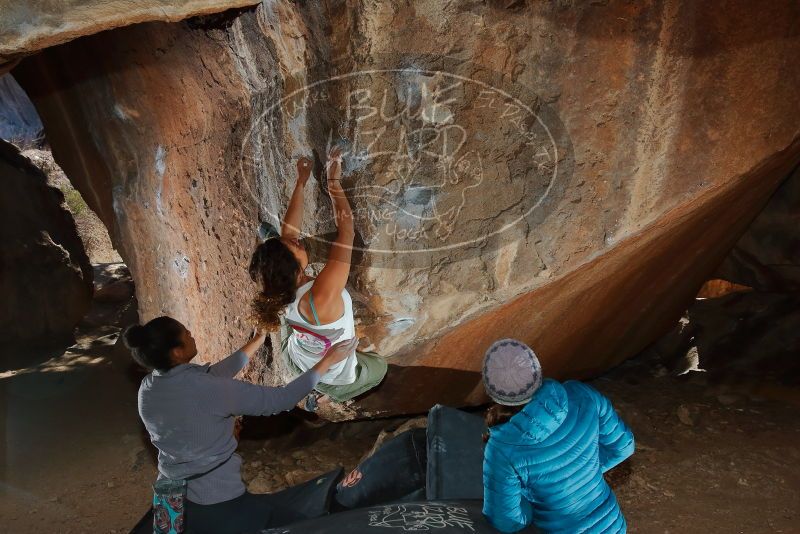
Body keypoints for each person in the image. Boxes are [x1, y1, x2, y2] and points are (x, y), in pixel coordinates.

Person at [124, 316, 356, 533]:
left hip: (169, 491)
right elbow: (281, 399)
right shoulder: (205, 389)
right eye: (187, 334)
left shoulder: (149, 386)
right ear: (177, 352)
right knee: (295, 527)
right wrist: (327, 361)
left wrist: (256, 342)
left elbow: (214, 376)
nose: (192, 334)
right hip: (213, 496)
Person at [249, 147, 387, 409]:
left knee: (288, 322)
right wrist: (333, 184)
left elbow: (290, 232)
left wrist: (301, 182)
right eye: (295, 246)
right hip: (333, 377)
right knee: (379, 367)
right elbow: (346, 233)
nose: (299, 241)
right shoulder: (320, 294)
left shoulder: (276, 289)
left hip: (297, 358)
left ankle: (272, 242)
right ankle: (329, 396)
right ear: (294, 270)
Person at [481, 338, 635, 533]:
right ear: (536, 370)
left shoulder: (501, 449)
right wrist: (586, 470)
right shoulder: (582, 394)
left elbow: (507, 522)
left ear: (493, 393)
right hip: (612, 526)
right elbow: (623, 446)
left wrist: (534, 500)